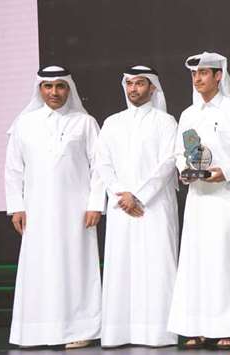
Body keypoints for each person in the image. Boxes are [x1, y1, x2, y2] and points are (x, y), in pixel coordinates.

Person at [5, 65, 104, 349]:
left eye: (60, 86)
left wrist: (95, 203)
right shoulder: (24, 124)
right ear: (39, 90)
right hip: (36, 212)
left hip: (77, 213)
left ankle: (80, 330)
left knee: (76, 268)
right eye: (48, 87)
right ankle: (36, 333)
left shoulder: (84, 123)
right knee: (40, 267)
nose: (54, 92)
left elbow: (99, 167)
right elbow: (13, 170)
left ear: (69, 89)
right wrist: (16, 207)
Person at [167, 52, 230, 350]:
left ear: (219, 76)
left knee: (224, 261)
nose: (198, 78)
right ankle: (195, 326)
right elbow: (180, 153)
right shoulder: (188, 115)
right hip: (197, 198)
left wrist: (226, 172)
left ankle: (229, 327)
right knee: (195, 262)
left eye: (204, 73)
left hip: (225, 198)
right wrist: (184, 171)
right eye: (194, 74)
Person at [94, 65, 179, 347]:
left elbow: (168, 163)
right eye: (129, 84)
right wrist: (121, 194)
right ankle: (119, 333)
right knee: (122, 268)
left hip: (154, 207)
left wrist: (139, 195)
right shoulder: (112, 122)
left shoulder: (166, 122)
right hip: (122, 207)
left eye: (140, 84)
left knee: (156, 266)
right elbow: (103, 163)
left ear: (152, 87)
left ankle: (159, 334)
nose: (134, 89)